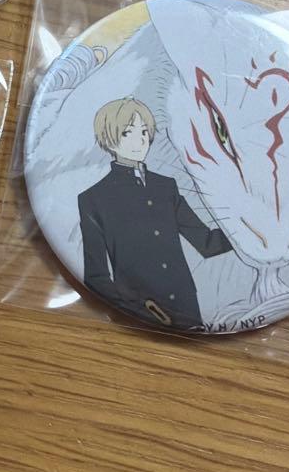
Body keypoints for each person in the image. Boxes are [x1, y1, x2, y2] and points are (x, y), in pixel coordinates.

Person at [77, 96, 233, 330]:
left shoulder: (165, 187)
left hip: (187, 306)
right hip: (139, 315)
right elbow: (96, 277)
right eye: (127, 133)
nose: (140, 140)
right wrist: (138, 307)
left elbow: (207, 243)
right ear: (109, 139)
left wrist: (251, 232)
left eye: (144, 132)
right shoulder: (93, 199)